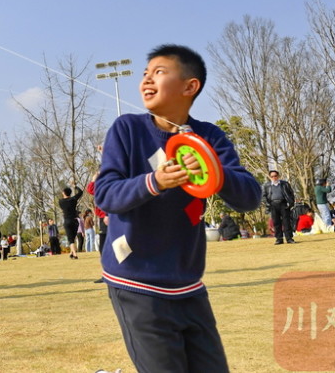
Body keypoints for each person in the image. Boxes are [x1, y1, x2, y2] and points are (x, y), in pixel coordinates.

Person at [94, 44, 261, 373]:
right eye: (145, 74)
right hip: (136, 282)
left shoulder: (209, 136)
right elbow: (106, 194)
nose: (146, 80)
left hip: (188, 285)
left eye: (158, 72)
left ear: (190, 86)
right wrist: (155, 180)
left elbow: (250, 197)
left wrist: (212, 167)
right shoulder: (127, 129)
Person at [262, 170, 296, 245]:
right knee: (276, 222)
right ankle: (279, 239)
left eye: (275, 176)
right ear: (269, 177)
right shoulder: (266, 185)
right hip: (273, 205)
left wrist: (291, 203)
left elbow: (291, 193)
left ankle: (289, 238)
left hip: (283, 204)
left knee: (286, 222)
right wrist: (267, 204)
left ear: (278, 176)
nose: (274, 177)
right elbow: (263, 196)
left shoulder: (285, 184)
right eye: (272, 176)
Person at [59, 182, 84, 260]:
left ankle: (75, 254)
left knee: (70, 239)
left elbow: (62, 206)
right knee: (72, 238)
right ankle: (71, 253)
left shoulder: (61, 201)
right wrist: (75, 186)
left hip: (67, 221)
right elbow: (81, 192)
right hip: (75, 221)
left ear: (64, 193)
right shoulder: (73, 199)